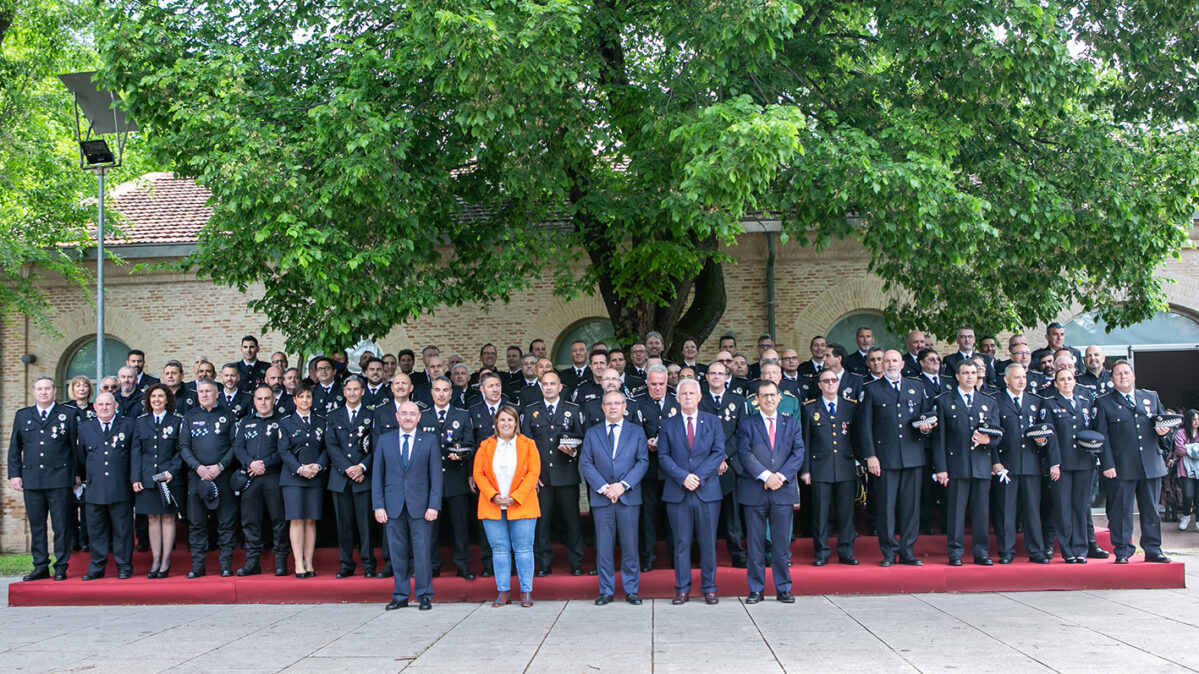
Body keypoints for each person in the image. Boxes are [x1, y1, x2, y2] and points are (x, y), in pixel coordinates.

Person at [858, 350, 931, 566]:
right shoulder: (871, 389)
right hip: (885, 458)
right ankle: (889, 551)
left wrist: (926, 429)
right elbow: (865, 427)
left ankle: (908, 551)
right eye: (886, 360)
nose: (890, 364)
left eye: (894, 360)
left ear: (902, 364)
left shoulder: (916, 387)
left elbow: (926, 419)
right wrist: (871, 456)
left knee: (911, 508)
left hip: (912, 456)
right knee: (886, 507)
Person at [1095, 361, 1172, 564]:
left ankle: (1153, 549)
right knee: (1121, 511)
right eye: (1118, 374)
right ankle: (1122, 550)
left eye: (1126, 372)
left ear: (1134, 376)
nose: (1123, 376)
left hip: (1150, 463)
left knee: (1151, 510)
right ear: (1112, 379)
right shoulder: (1104, 402)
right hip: (1121, 466)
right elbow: (1102, 437)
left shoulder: (1150, 397)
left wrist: (1164, 433)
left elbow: (1162, 427)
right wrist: (1107, 464)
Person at [659, 378, 725, 605]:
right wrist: (683, 477)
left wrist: (697, 476)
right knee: (681, 542)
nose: (687, 397)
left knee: (708, 542)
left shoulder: (713, 422)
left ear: (699, 397)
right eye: (683, 394)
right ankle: (682, 589)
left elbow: (718, 452)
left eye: (691, 393)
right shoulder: (667, 425)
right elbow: (663, 456)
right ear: (676, 399)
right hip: (678, 492)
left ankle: (709, 587)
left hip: (706, 491)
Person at [580, 391, 649, 606]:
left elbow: (642, 462)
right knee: (604, 546)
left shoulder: (636, 432)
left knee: (630, 546)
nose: (612, 407)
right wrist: (604, 488)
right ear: (602, 407)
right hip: (602, 499)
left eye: (616, 403)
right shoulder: (592, 433)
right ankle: (606, 591)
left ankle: (631, 590)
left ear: (624, 406)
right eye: (608, 404)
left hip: (627, 497)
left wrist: (622, 486)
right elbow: (586, 463)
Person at [373, 401, 442, 611]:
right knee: (397, 552)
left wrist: (434, 505)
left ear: (419, 417)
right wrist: (378, 505)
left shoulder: (429, 440)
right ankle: (400, 595)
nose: (408, 417)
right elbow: (377, 475)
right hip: (392, 506)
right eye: (404, 413)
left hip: (421, 506)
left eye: (412, 414)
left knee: (422, 552)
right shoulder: (384, 441)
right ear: (397, 416)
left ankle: (424, 595)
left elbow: (436, 476)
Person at [739, 381, 805, 603]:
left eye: (772, 395)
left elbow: (798, 453)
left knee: (780, 545)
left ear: (779, 398)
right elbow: (745, 454)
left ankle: (783, 587)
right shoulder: (747, 424)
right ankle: (756, 589)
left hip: (782, 490)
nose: (768, 399)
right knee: (756, 544)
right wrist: (767, 476)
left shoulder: (792, 423)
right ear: (756, 400)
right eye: (763, 396)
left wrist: (780, 477)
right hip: (755, 490)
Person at [9, 376, 79, 581]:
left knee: (61, 525)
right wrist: (15, 474)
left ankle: (61, 566)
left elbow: (74, 448)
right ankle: (40, 565)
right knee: (37, 525)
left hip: (59, 478)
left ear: (54, 390)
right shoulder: (23, 416)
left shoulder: (67, 414)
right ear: (33, 392)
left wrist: (75, 474)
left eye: (47, 388)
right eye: (39, 389)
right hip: (32, 478)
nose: (43, 392)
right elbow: (15, 448)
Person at [932, 361, 1000, 566]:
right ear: (957, 376)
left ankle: (981, 553)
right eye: (965, 373)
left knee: (981, 513)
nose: (970, 376)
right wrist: (941, 468)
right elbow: (939, 439)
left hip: (981, 464)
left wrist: (990, 440)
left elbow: (997, 432)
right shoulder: (944, 402)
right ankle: (955, 553)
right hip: (956, 465)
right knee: (955, 512)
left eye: (973, 373)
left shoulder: (988, 402)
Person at [474, 405, 541, 607]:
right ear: (496, 422)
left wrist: (516, 496)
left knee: (523, 550)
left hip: (522, 504)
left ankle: (526, 591)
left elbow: (533, 473)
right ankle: (503, 591)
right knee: (500, 550)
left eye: (510, 420)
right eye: (502, 420)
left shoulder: (528, 444)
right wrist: (493, 495)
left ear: (516, 423)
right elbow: (478, 474)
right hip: (492, 505)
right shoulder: (486, 445)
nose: (506, 424)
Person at [522, 371, 585, 576]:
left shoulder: (573, 410)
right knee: (542, 524)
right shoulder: (531, 411)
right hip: (541, 479)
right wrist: (532, 475)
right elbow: (525, 447)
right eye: (545, 384)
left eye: (552, 384)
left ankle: (576, 562)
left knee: (572, 523)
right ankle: (544, 563)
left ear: (560, 387)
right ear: (541, 387)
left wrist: (574, 451)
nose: (549, 387)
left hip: (566, 476)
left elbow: (583, 441)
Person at [993, 364, 1053, 564]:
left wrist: (1042, 442)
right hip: (1006, 464)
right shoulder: (996, 402)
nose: (1021, 381)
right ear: (1006, 379)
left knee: (1032, 510)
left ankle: (1036, 551)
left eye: (1023, 377)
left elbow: (1045, 433)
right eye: (1017, 377)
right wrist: (995, 462)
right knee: (1005, 510)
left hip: (1031, 464)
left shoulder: (1036, 401)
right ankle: (1006, 551)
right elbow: (992, 434)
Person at [180, 378, 238, 577]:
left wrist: (220, 466)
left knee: (226, 523)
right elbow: (184, 447)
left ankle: (225, 565)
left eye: (208, 391)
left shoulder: (228, 416)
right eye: (201, 391)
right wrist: (198, 468)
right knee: (196, 523)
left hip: (223, 476)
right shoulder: (189, 417)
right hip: (198, 477)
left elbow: (235, 446)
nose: (204, 394)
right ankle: (197, 566)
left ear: (217, 394)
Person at [419, 376, 476, 579]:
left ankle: (462, 565)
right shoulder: (422, 416)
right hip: (430, 481)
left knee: (459, 526)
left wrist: (461, 455)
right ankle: (433, 566)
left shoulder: (461, 415)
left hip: (456, 477)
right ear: (431, 392)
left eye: (445, 390)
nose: (441, 394)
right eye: (437, 390)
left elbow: (470, 443)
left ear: (451, 393)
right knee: (431, 527)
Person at [801, 371, 859, 566]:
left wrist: (860, 463)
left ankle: (846, 552)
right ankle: (822, 553)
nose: (830, 384)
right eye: (826, 381)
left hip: (845, 465)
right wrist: (806, 470)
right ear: (819, 385)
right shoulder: (810, 408)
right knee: (820, 513)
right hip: (820, 467)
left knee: (846, 513)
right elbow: (806, 442)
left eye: (834, 380)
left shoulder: (850, 406)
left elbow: (856, 439)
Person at [77, 393, 136, 580]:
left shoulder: (128, 425)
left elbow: (134, 456)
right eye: (100, 404)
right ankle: (96, 567)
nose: (104, 407)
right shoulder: (84, 428)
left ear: (115, 405)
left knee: (122, 530)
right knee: (96, 531)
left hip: (120, 487)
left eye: (108, 404)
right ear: (94, 407)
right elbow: (80, 458)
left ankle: (124, 566)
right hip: (94, 488)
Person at [233, 385, 289, 576]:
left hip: (273, 476)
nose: (263, 402)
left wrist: (264, 463)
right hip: (251, 477)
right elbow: (238, 448)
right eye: (259, 399)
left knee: (279, 520)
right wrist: (251, 463)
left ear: (273, 400)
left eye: (267, 398)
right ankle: (252, 561)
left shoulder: (282, 421)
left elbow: (284, 450)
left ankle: (280, 560)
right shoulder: (245, 422)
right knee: (250, 521)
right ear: (254, 401)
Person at [1041, 368, 1095, 563]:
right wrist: (1054, 463)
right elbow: (1051, 436)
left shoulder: (1085, 403)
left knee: (1080, 507)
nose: (1066, 382)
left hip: (1083, 462)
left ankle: (1081, 548)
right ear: (1056, 384)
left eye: (1069, 379)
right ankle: (1067, 550)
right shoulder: (1049, 404)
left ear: (1074, 381)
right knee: (1063, 507)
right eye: (1062, 379)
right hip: (1062, 463)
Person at [131, 384, 185, 578]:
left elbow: (181, 449)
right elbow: (136, 451)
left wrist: (172, 471)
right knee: (152, 518)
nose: (157, 400)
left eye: (161, 396)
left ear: (167, 399)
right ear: (148, 399)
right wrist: (135, 477)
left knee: (168, 517)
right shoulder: (140, 422)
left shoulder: (177, 421)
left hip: (169, 478)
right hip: (147, 479)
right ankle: (155, 559)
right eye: (153, 396)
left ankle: (165, 560)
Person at [327, 375, 377, 578]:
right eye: (349, 389)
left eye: (356, 389)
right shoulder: (333, 415)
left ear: (363, 391)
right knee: (344, 525)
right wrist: (348, 468)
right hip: (340, 479)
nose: (353, 393)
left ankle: (368, 565)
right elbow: (331, 444)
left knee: (365, 526)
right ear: (344, 392)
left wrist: (362, 467)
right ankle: (346, 565)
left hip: (363, 478)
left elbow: (376, 446)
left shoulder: (371, 415)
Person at [278, 385, 327, 578]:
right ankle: (298, 562)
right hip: (293, 478)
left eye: (308, 396)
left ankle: (309, 562)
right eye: (301, 397)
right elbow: (284, 450)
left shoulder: (321, 421)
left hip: (315, 476)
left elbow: (326, 447)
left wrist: (318, 466)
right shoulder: (286, 423)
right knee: (297, 519)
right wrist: (300, 469)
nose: (305, 400)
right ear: (294, 400)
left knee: (310, 520)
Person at [65, 375, 95, 552]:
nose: (81, 389)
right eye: (78, 386)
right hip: (70, 461)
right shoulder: (65, 409)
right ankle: (72, 538)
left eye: (85, 386)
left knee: (86, 505)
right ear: (73, 389)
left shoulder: (94, 409)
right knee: (69, 505)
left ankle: (85, 539)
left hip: (88, 462)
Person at [1175, 410, 1199, 532]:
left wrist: (1188, 448)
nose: (1196, 422)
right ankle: (1186, 516)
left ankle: (1198, 522)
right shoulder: (1181, 433)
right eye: (1194, 419)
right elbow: (1179, 450)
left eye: (1198, 419)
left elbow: (1184, 449)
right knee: (1188, 495)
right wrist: (1195, 449)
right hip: (1186, 469)